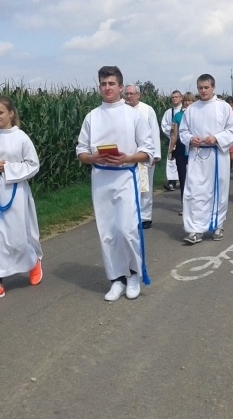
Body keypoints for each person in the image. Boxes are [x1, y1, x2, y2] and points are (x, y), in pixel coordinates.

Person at [76, 66, 154, 301]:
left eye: (111, 83)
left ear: (121, 87)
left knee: (127, 229)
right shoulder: (92, 116)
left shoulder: (134, 115)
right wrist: (93, 158)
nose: (107, 88)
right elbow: (81, 151)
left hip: (124, 175)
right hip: (101, 176)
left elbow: (147, 150)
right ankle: (116, 278)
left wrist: (128, 157)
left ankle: (133, 275)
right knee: (107, 231)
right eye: (103, 84)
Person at [0, 95, 44, 303]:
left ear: (11, 113)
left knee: (17, 237)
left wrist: (7, 167)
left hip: (16, 193)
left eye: (0, 112)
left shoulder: (21, 137)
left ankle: (32, 261)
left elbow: (33, 164)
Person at [178, 74, 233, 244]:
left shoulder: (223, 107)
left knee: (218, 190)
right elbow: (183, 131)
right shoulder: (191, 109)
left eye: (206, 87)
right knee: (194, 192)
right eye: (200, 88)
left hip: (217, 154)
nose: (203, 91)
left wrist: (217, 138)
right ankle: (195, 229)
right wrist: (191, 139)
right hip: (197, 155)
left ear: (213, 88)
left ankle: (217, 225)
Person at [125, 84, 162, 229]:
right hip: (127, 157)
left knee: (145, 187)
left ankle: (145, 216)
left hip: (143, 156)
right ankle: (131, 216)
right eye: (127, 94)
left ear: (139, 95)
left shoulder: (147, 110)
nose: (129, 97)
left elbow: (154, 132)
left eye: (132, 94)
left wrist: (155, 155)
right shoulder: (122, 110)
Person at [168, 92, 195, 214]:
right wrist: (170, 150)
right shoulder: (177, 116)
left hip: (195, 147)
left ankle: (196, 204)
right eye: (186, 101)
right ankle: (185, 205)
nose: (188, 103)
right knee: (183, 177)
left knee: (195, 177)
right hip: (180, 147)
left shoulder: (198, 115)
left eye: (190, 101)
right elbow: (174, 134)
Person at [161, 90, 183, 191]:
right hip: (173, 138)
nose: (174, 99)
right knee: (171, 160)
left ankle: (183, 179)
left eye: (176, 97)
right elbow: (164, 125)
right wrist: (171, 132)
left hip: (185, 140)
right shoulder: (169, 112)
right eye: (173, 97)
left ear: (181, 98)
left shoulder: (186, 110)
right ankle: (171, 182)